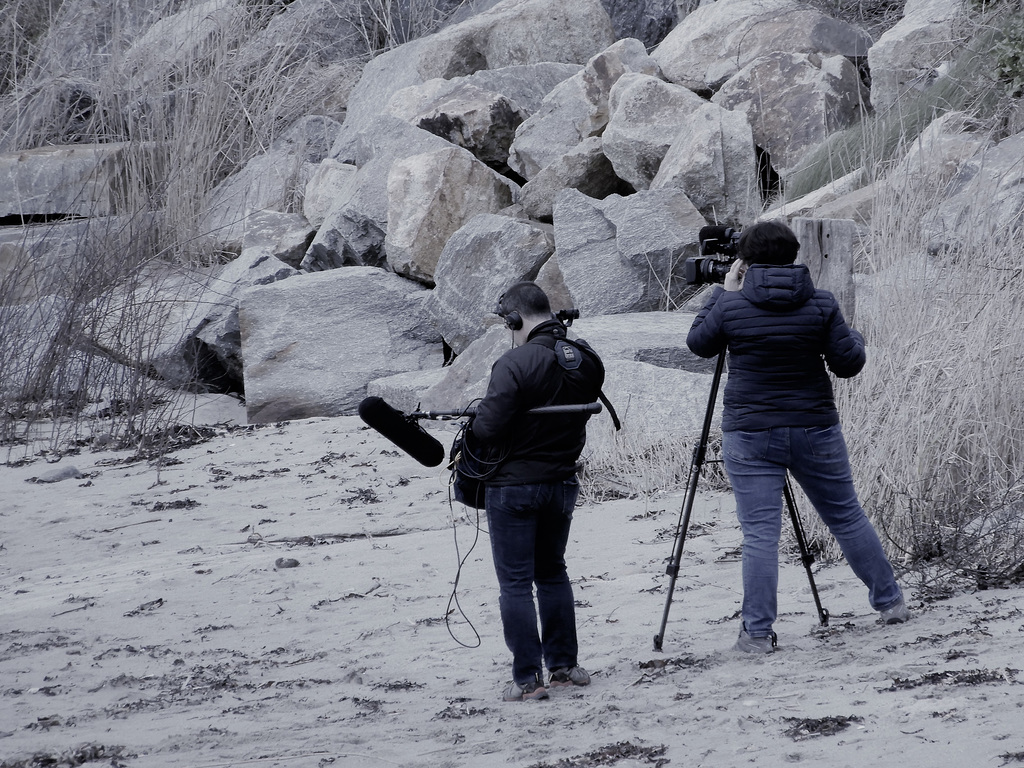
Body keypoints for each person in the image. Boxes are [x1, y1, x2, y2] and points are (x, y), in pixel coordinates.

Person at [686, 220, 909, 654]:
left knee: (759, 535)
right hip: (814, 428)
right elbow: (848, 363)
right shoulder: (822, 303)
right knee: (846, 516)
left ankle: (756, 634)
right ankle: (891, 603)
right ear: (795, 255)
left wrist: (722, 293)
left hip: (750, 433)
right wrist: (854, 335)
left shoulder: (731, 306)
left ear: (745, 263)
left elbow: (698, 343)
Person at [469, 281, 604, 700]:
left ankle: (527, 680)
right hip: (562, 482)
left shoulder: (514, 362)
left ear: (514, 319)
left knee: (515, 584)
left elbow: (486, 428)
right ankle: (564, 666)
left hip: (513, 488)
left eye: (508, 326)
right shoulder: (587, 360)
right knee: (552, 572)